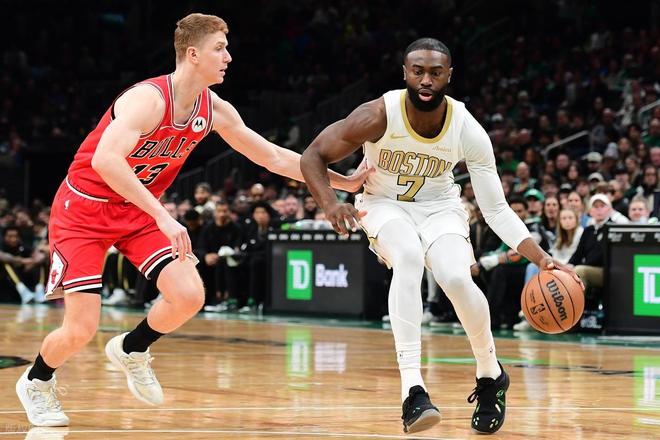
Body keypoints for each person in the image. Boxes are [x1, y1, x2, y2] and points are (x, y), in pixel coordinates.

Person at [15, 13, 368, 428]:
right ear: (193, 53)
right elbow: (105, 160)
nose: (229, 57)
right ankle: (36, 381)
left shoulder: (213, 108)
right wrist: (163, 216)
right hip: (85, 211)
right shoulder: (147, 100)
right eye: (220, 48)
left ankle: (132, 348)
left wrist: (343, 181)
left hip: (138, 210)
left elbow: (272, 156)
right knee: (80, 329)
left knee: (188, 295)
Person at [300, 38, 581, 434]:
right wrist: (330, 204)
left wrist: (541, 257)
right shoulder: (377, 114)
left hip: (440, 207)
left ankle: (490, 373)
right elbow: (312, 155)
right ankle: (412, 390)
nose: (426, 80)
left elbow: (496, 209)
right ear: (405, 73)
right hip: (384, 204)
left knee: (454, 277)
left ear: (450, 75)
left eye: (435, 72)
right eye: (418, 71)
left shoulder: (467, 129)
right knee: (408, 258)